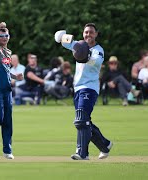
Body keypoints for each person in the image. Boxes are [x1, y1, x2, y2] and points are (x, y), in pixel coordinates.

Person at [56, 23, 113, 160]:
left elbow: (95, 61)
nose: (88, 34)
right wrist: (63, 36)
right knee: (84, 121)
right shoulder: (79, 45)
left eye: (91, 32)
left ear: (96, 34)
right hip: (78, 88)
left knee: (81, 121)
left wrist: (82, 53)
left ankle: (82, 153)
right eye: (86, 32)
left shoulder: (98, 50)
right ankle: (105, 144)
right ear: (83, 34)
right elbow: (58, 37)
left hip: (90, 88)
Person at [0, 22, 23, 159]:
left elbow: (6, 70)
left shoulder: (8, 52)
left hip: (7, 89)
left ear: (9, 37)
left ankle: (7, 150)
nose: (4, 38)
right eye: (1, 36)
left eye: (6, 35)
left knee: (7, 120)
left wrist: (15, 76)